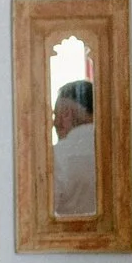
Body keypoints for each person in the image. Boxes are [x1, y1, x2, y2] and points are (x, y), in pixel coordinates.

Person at [50, 79, 98, 218]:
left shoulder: (55, 156)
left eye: (55, 115)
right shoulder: (119, 151)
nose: (54, 123)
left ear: (66, 113)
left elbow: (41, 214)